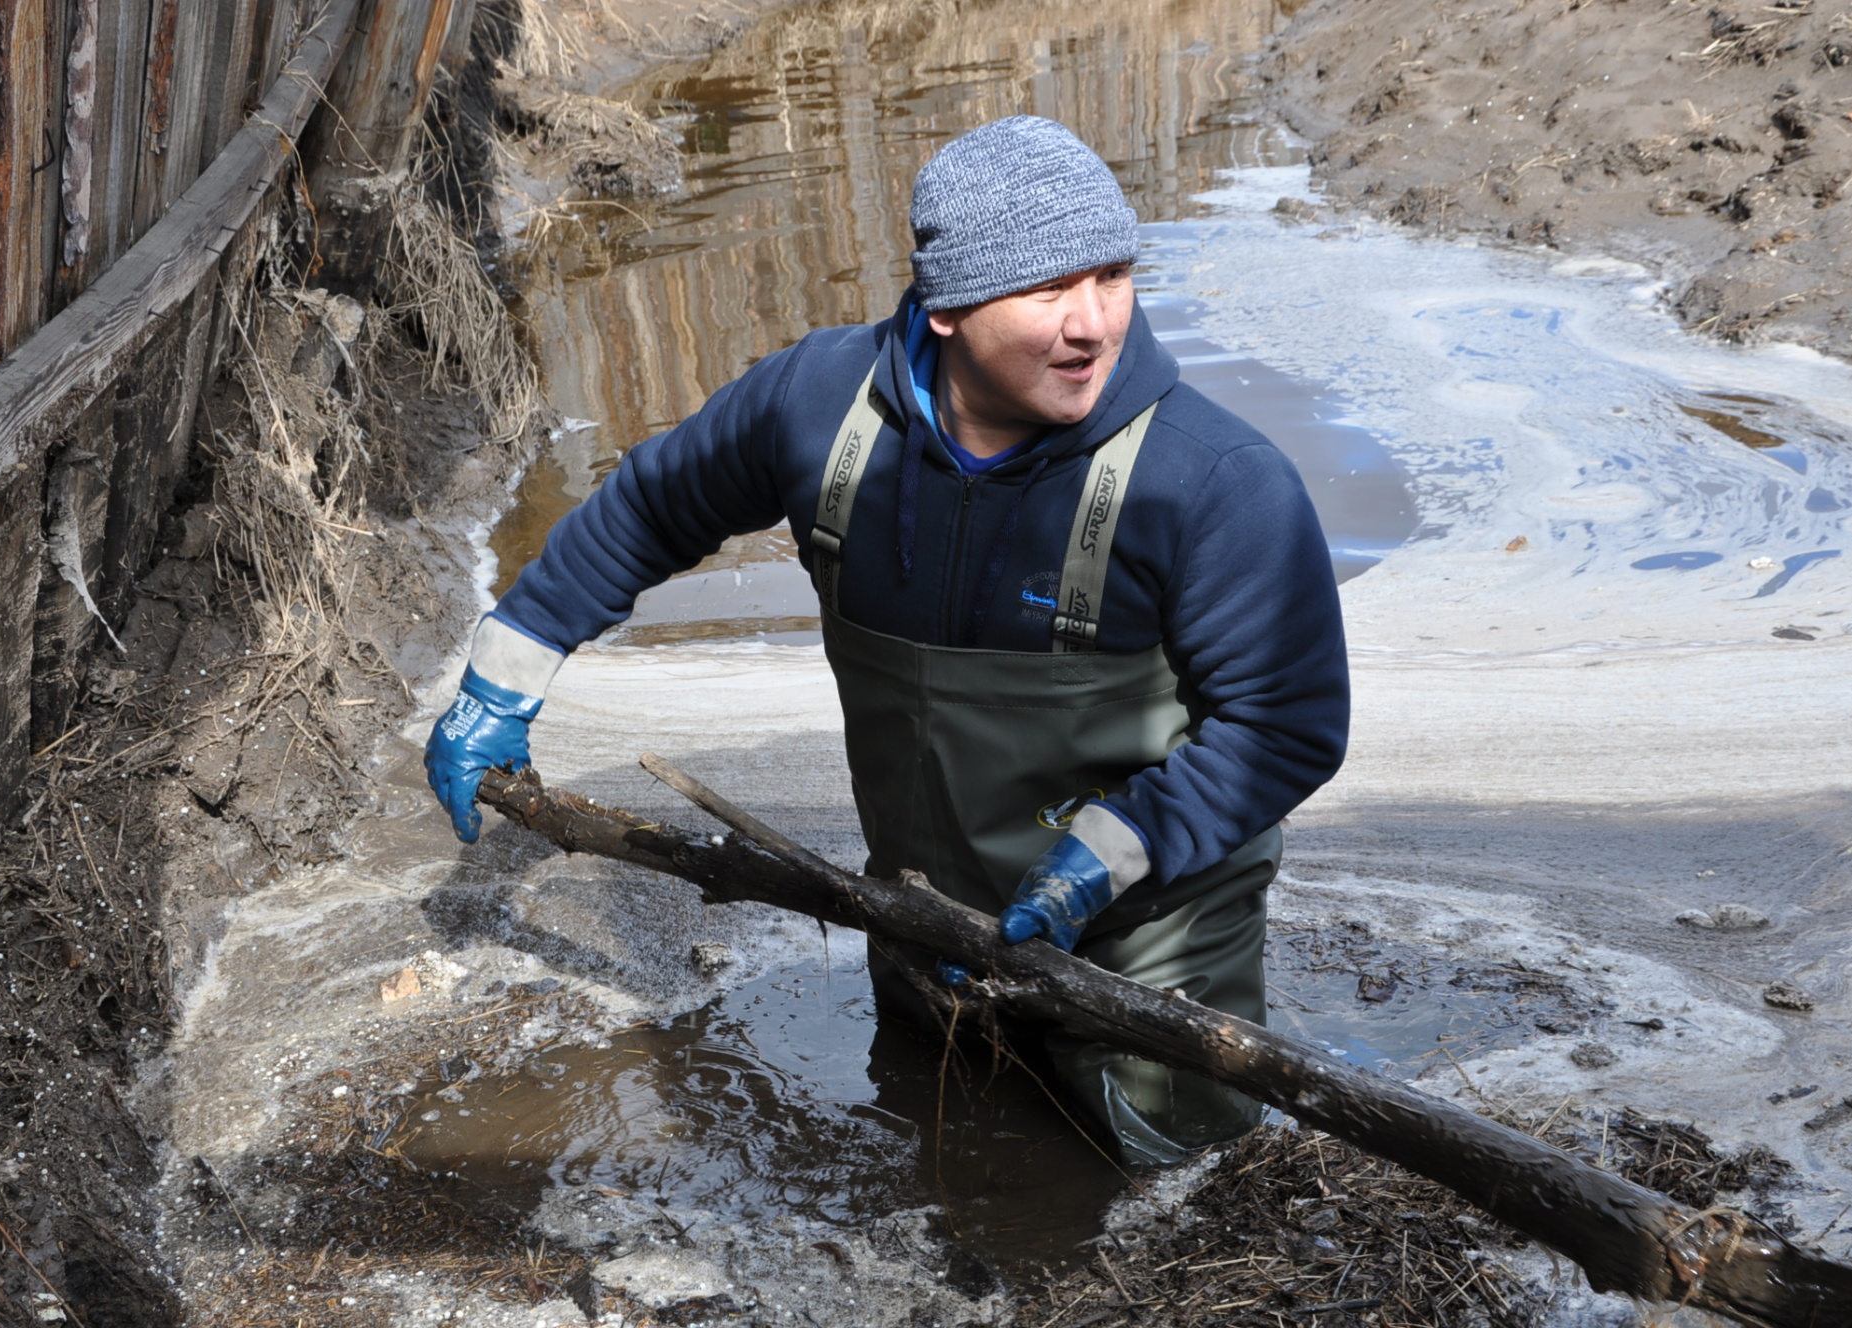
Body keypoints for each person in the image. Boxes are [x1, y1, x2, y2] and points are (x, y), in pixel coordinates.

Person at [424, 116, 1349, 1165]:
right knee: (937, 1157)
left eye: (1111, 274)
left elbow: (1285, 723)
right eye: (1048, 288)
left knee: (1178, 1196)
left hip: (1149, 940)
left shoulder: (1213, 481)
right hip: (922, 920)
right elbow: (647, 508)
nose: (1093, 323)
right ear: (948, 306)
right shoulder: (815, 409)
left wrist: (1102, 858)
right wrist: (502, 677)